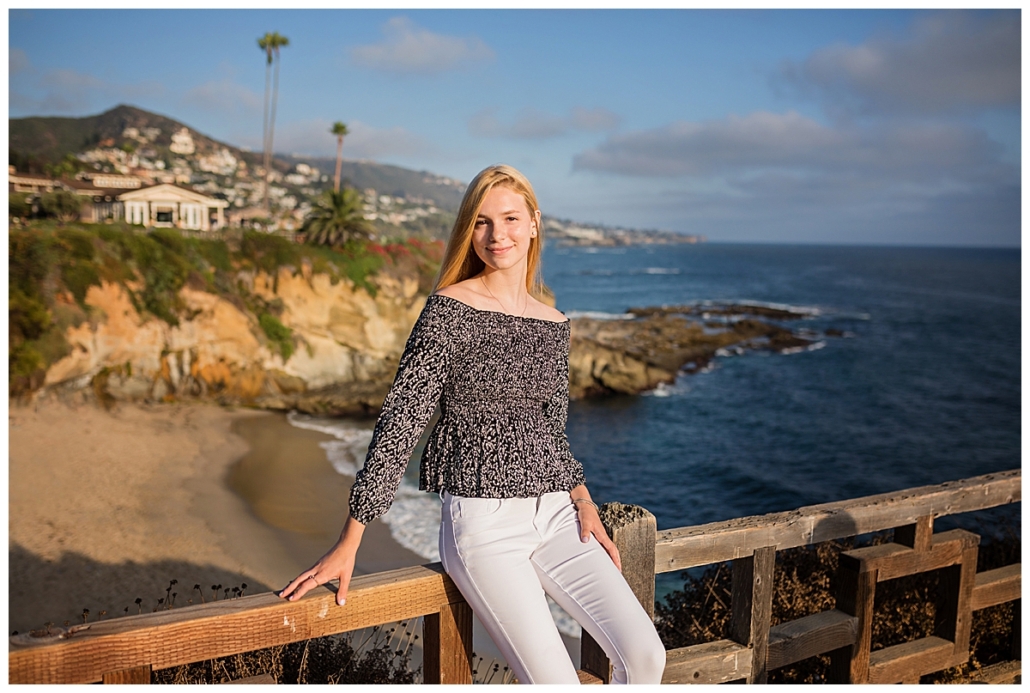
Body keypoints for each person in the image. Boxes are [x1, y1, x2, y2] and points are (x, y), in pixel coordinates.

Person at [279, 165, 666, 684]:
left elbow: (550, 430)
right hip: (484, 527)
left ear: (533, 223)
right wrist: (351, 539)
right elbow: (400, 422)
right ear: (469, 231)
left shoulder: (554, 323)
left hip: (556, 514)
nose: (496, 234)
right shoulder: (448, 310)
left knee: (646, 655)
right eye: (481, 222)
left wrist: (583, 500)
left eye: (509, 218)